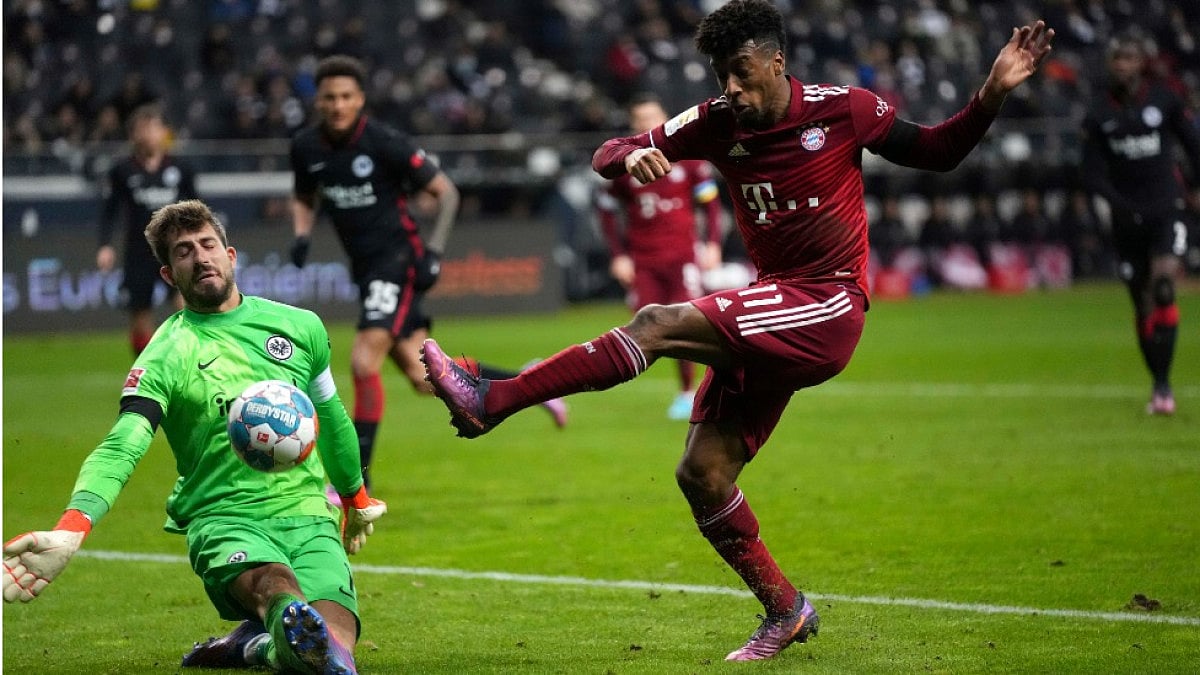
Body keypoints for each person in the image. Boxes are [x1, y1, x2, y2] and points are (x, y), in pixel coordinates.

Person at [421, 0, 1053, 661]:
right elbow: (612, 151)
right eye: (722, 74)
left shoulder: (846, 110)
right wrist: (628, 159)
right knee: (702, 472)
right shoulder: (717, 121)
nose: (730, 87)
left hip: (828, 302)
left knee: (658, 323)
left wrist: (990, 94)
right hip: (772, 304)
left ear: (776, 63)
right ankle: (786, 607)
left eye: (742, 72)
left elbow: (939, 150)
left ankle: (493, 400)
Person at [4, 200, 387, 675]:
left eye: (207, 245)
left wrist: (355, 495)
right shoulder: (167, 352)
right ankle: (272, 624)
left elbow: (330, 415)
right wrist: (73, 525)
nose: (201, 258)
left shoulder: (300, 326)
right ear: (169, 275)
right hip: (225, 519)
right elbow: (124, 442)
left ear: (230, 254)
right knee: (277, 587)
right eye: (185, 252)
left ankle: (252, 648)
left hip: (309, 515)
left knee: (331, 654)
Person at [288, 55, 567, 490]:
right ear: (317, 102)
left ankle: (355, 480)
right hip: (366, 270)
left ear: (360, 99)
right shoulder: (305, 148)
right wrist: (302, 236)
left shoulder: (384, 142)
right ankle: (534, 381)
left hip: (397, 262)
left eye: (346, 97)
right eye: (329, 98)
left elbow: (446, 192)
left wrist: (434, 252)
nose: (338, 105)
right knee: (425, 380)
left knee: (363, 363)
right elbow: (304, 196)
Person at [1080, 31, 1200, 415]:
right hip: (1126, 219)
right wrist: (1119, 206)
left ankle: (1163, 389)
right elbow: (1092, 174)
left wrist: (1195, 189)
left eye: (1130, 59)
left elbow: (1193, 145)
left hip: (1167, 209)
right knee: (1142, 302)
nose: (1123, 66)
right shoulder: (1098, 114)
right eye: (1117, 59)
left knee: (1164, 285)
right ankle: (1159, 382)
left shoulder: (1164, 100)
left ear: (1140, 64)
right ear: (1110, 65)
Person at [595, 92, 726, 420]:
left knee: (684, 323)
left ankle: (689, 392)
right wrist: (618, 255)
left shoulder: (690, 160)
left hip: (683, 259)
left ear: (665, 119)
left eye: (651, 117)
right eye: (639, 119)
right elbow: (607, 209)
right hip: (644, 262)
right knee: (644, 325)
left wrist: (712, 243)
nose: (646, 124)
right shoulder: (627, 166)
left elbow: (710, 204)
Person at [97, 102, 196, 356]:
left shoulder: (181, 169)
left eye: (153, 128)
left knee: (187, 307)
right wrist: (105, 245)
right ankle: (146, 370)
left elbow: (197, 209)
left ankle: (190, 360)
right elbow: (110, 211)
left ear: (164, 132)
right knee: (140, 316)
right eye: (143, 129)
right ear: (133, 135)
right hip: (139, 251)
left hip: (176, 249)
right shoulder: (123, 170)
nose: (149, 134)